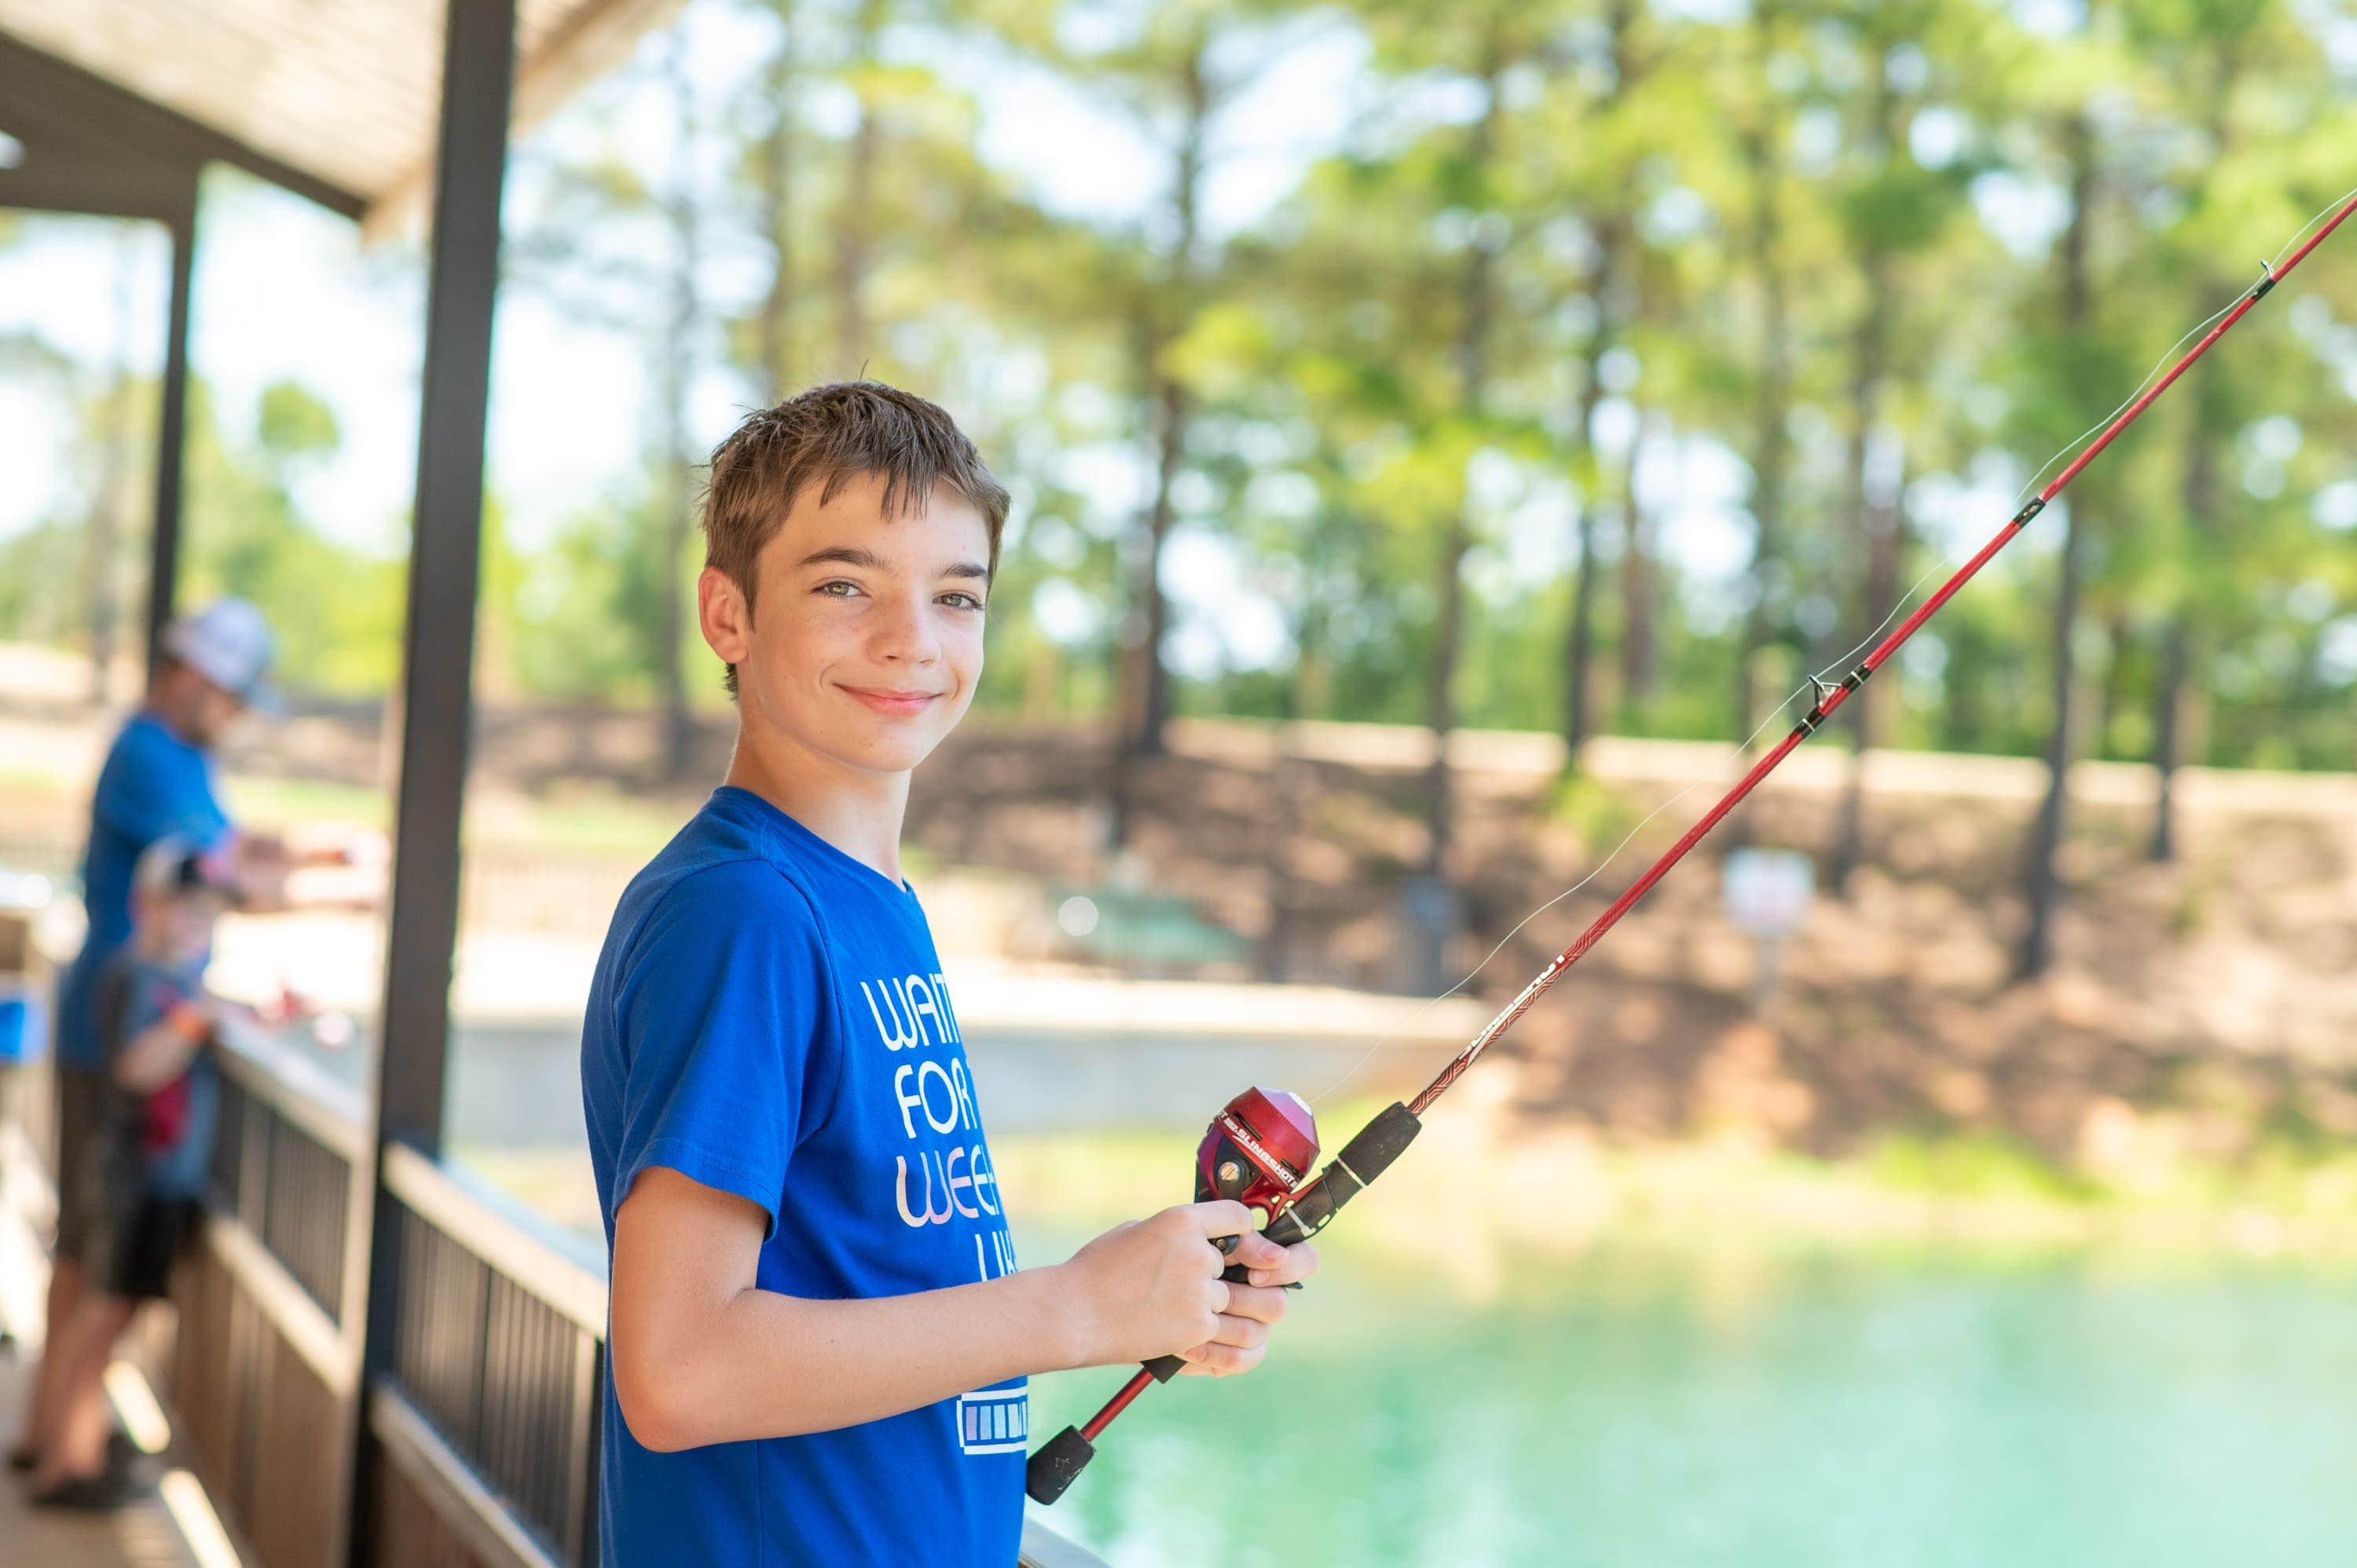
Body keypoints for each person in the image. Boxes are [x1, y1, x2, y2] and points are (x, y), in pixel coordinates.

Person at [581, 381, 1318, 1565]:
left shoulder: (869, 907)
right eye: (842, 585)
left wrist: (1155, 1295)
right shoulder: (745, 912)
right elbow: (679, 1373)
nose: (910, 639)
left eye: (955, 595)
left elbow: (883, 1284)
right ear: (728, 615)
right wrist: (1075, 1307)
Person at [9, 598, 371, 1481]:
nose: (237, 715)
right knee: (109, 1259)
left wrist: (317, 851)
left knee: (87, 1246)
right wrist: (348, 892)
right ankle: (69, 1454)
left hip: (107, 1024)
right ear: (193, 677)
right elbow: (218, 871)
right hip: (117, 1046)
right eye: (232, 696)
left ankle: (52, 1430)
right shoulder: (150, 754)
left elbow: (230, 848)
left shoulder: (177, 756)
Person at [28, 839, 233, 1507]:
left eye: (205, 910)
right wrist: (198, 1020)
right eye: (182, 907)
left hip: (145, 1177)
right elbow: (136, 1067)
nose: (195, 921)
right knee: (103, 1321)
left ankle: (67, 1450)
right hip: (131, 1178)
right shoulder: (137, 976)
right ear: (145, 905)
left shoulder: (167, 979)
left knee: (106, 1319)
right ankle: (69, 1464)